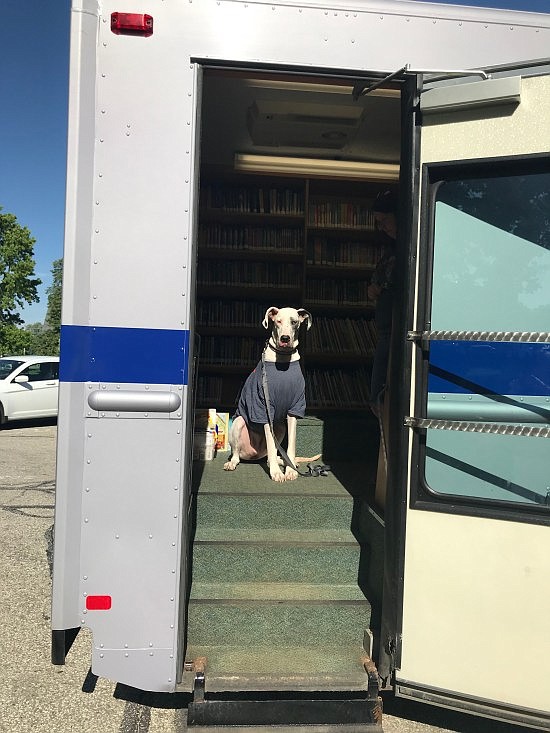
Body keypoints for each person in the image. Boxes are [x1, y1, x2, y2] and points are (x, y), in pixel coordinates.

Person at [368, 189, 398, 416]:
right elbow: (376, 282)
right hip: (386, 329)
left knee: (382, 393)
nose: (383, 228)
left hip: (395, 332)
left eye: (385, 220)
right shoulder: (391, 249)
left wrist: (381, 288)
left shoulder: (411, 249)